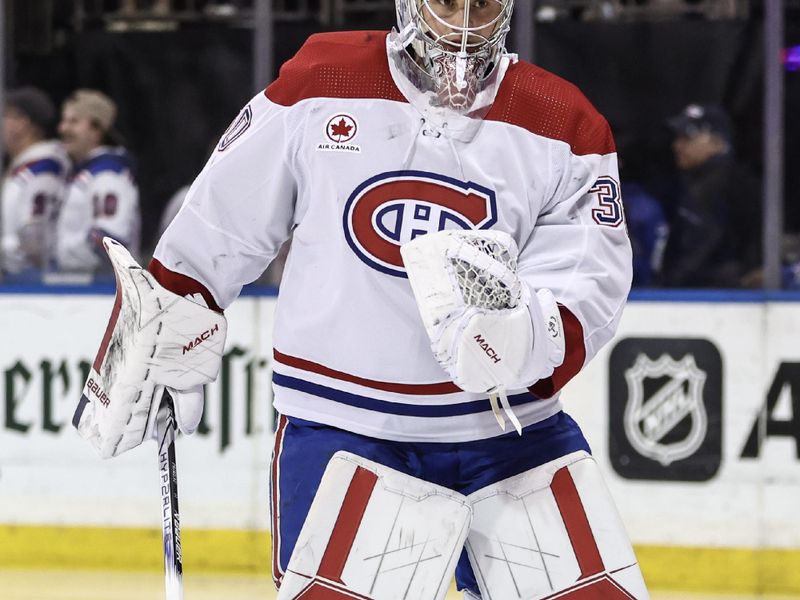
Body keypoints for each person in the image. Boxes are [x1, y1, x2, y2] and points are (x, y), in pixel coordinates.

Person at [74, 2, 648, 598]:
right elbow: (223, 217)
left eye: (482, 2)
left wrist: (528, 335)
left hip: (511, 435)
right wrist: (168, 322)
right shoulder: (326, 78)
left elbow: (591, 273)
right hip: (345, 429)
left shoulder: (562, 119)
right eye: (449, 2)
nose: (465, 22)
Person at [661, 103, 762, 287]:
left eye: (687, 138)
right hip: (697, 296)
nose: (677, 145)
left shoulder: (732, 184)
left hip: (722, 296)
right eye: (678, 138)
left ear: (717, 142)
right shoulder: (690, 182)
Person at [54, 89, 140, 274]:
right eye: (64, 121)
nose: (63, 128)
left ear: (96, 130)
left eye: (73, 122)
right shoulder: (88, 173)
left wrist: (63, 258)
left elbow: (110, 242)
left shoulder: (108, 175)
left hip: (100, 290)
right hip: (86, 288)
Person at [1, 86, 69, 277]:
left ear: (22, 123)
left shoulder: (43, 169)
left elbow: (35, 241)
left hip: (33, 283)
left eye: (5, 116)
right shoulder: (26, 167)